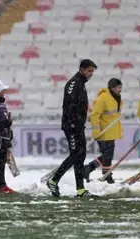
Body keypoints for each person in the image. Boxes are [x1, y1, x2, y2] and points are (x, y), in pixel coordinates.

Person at [47, 59, 97, 198]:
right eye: (89, 71)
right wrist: (73, 123)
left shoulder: (80, 83)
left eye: (92, 71)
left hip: (78, 125)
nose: (91, 74)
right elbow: (69, 105)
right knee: (76, 154)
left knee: (80, 155)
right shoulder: (74, 83)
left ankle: (80, 190)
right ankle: (54, 180)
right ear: (82, 69)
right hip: (72, 125)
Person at [84, 78, 123, 184]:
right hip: (103, 132)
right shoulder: (103, 98)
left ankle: (88, 169)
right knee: (108, 155)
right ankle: (106, 176)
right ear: (113, 87)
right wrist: (96, 132)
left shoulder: (117, 97)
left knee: (107, 155)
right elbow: (95, 115)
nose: (120, 90)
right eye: (119, 87)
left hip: (111, 131)